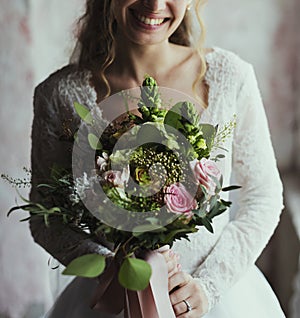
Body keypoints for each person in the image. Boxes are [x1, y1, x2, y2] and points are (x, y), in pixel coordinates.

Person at [29, 0, 286, 317]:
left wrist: (208, 287)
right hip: (112, 301)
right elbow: (46, 219)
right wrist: (114, 270)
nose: (154, 4)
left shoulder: (229, 77)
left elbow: (263, 197)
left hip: (219, 302)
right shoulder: (60, 96)